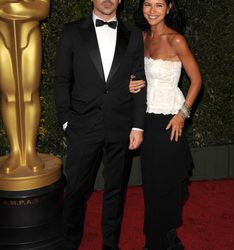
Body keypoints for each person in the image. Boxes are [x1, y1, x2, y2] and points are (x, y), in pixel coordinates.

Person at [54, 0, 146, 249]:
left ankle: (110, 245)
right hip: (83, 126)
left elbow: (139, 81)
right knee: (75, 191)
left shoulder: (134, 34)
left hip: (120, 126)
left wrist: (137, 126)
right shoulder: (72, 31)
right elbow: (61, 79)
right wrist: (66, 121)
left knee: (115, 191)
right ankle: (69, 243)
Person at [130, 0, 202, 249]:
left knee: (169, 182)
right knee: (151, 183)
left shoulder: (176, 40)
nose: (152, 10)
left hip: (170, 120)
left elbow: (196, 80)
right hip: (146, 119)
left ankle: (165, 236)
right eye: (147, 4)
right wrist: (133, 84)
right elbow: (138, 75)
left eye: (158, 5)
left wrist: (183, 114)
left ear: (169, 8)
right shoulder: (141, 37)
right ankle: (156, 238)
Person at [0, 0, 50, 173]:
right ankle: (15, 151)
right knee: (9, 95)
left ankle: (29, 150)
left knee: (29, 94)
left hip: (29, 35)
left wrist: (8, 7)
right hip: (2, 35)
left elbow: (42, 8)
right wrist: (18, 8)